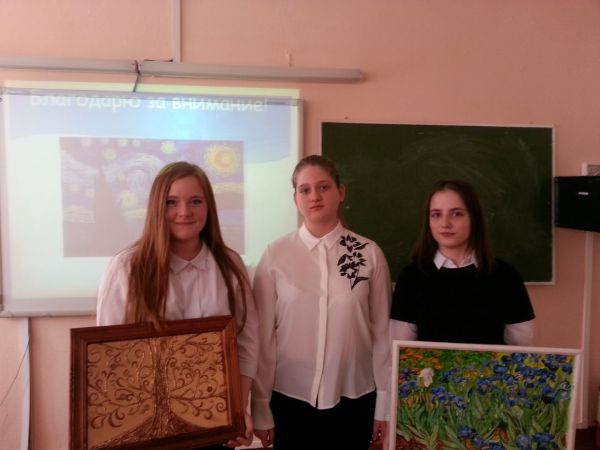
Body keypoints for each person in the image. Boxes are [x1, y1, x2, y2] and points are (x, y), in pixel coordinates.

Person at [96, 161, 258, 449]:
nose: (184, 212)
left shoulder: (230, 264)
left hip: (213, 422)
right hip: (147, 426)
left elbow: (246, 343)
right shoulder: (126, 267)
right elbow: (110, 357)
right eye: (172, 202)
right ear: (157, 207)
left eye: (195, 201)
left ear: (209, 207)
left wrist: (237, 409)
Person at [251, 155, 391, 450]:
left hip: (355, 399)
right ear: (295, 198)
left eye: (323, 187)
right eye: (305, 190)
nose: (314, 196)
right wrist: (260, 406)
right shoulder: (275, 254)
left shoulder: (368, 253)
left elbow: (382, 335)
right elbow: (262, 339)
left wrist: (385, 405)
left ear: (340, 192)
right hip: (290, 401)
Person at [390, 179, 535, 345]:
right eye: (436, 214)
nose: (445, 223)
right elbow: (401, 348)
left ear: (474, 218)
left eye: (456, 214)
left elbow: (520, 345)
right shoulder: (411, 277)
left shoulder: (505, 275)